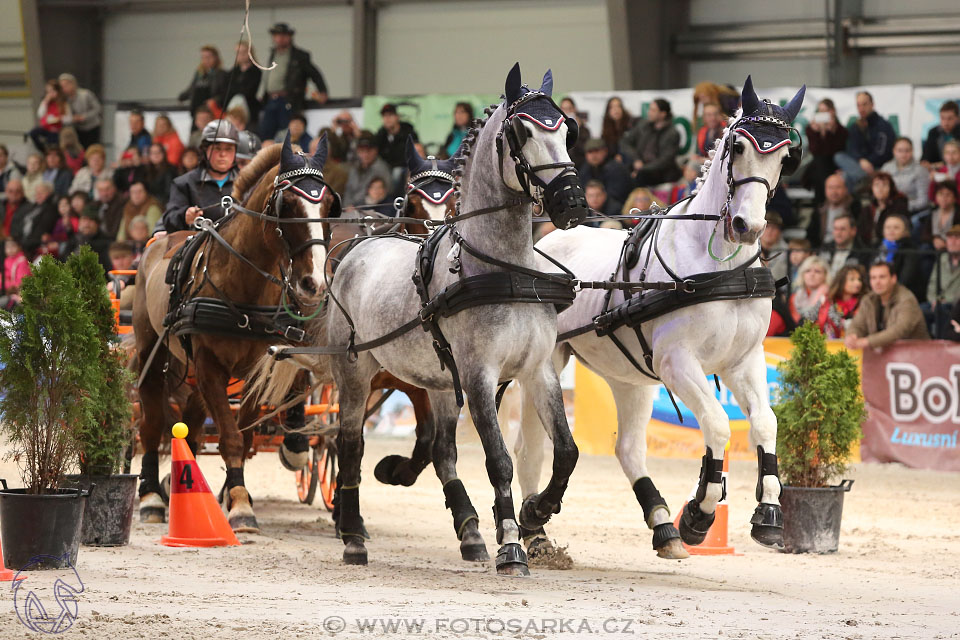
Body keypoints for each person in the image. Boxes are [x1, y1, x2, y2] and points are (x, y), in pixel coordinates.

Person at [161, 119, 239, 234]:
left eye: (229, 149)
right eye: (217, 148)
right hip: (199, 247)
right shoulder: (184, 183)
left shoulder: (248, 183)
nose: (223, 154)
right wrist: (184, 216)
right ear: (204, 150)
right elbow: (168, 219)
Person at [258, 22, 328, 140]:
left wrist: (322, 91)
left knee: (288, 135)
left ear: (289, 37)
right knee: (266, 134)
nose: (279, 39)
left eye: (282, 35)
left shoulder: (299, 56)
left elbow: (315, 74)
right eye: (277, 35)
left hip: (288, 99)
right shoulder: (273, 54)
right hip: (271, 99)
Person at [845, 260, 929, 348]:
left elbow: (899, 330)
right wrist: (852, 335)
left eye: (882, 277)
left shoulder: (906, 299)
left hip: (915, 354)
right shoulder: (868, 300)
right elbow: (857, 324)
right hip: (884, 356)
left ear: (893, 278)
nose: (877, 282)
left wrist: (868, 341)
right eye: (873, 278)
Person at [833, 91, 896, 196]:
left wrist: (868, 162)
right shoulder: (855, 126)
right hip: (860, 167)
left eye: (864, 104)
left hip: (877, 167)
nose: (861, 108)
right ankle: (863, 178)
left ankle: (855, 205)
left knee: (846, 176)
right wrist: (861, 160)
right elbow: (852, 149)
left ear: (872, 104)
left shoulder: (883, 126)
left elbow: (882, 152)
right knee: (839, 157)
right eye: (858, 105)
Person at [620, 98, 681, 187]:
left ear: (663, 114)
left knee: (639, 177)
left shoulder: (672, 133)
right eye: (650, 109)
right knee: (618, 171)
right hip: (640, 165)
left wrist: (643, 168)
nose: (649, 112)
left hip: (660, 172)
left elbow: (665, 160)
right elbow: (625, 142)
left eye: (653, 110)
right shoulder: (643, 126)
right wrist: (636, 159)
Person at [805, 98, 848, 204]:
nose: (822, 114)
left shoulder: (841, 131)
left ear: (832, 112)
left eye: (825, 111)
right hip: (820, 166)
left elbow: (836, 151)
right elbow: (814, 151)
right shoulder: (811, 129)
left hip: (834, 165)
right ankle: (823, 203)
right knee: (819, 162)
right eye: (820, 111)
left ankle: (820, 206)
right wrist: (818, 133)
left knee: (819, 165)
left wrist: (830, 133)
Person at [877, 214, 925, 302]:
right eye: (888, 227)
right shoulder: (876, 248)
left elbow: (905, 279)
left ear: (905, 232)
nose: (891, 230)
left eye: (896, 227)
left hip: (902, 296)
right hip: (878, 293)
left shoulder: (910, 250)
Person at [578, 138, 631, 215]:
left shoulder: (617, 169)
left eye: (596, 151)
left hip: (616, 212)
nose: (593, 155)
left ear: (605, 151)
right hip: (592, 210)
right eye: (590, 152)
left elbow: (617, 196)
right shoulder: (584, 169)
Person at [925, 224, 960, 337]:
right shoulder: (942, 258)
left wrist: (943, 301)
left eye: (957, 238)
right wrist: (934, 300)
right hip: (938, 301)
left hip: (955, 304)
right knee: (919, 310)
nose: (952, 242)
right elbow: (932, 284)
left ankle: (941, 344)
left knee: (942, 311)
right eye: (950, 238)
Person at [808, 173, 861, 246]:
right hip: (822, 249)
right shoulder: (819, 211)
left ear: (846, 189)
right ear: (825, 190)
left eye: (838, 187)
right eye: (830, 187)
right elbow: (811, 236)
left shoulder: (855, 208)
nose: (834, 192)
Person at [374, 104, 419, 190]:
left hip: (406, 168)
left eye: (390, 115)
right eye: (384, 116)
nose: (387, 119)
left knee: (396, 172)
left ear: (397, 117)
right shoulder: (381, 135)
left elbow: (415, 154)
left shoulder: (409, 133)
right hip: (386, 168)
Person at [342, 132, 392, 208]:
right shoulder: (354, 169)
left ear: (376, 150)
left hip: (373, 210)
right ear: (357, 151)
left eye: (369, 150)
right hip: (350, 210)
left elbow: (385, 194)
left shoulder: (382, 169)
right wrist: (347, 206)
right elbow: (348, 191)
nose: (365, 154)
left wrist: (355, 206)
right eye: (362, 151)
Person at [178, 45, 228, 120]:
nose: (206, 60)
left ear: (216, 58)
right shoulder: (199, 74)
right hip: (197, 110)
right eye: (203, 57)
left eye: (208, 57)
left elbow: (225, 93)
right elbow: (192, 88)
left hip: (211, 111)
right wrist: (181, 97)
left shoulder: (222, 74)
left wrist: (214, 100)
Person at [817, 264, 866, 338]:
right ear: (841, 281)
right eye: (852, 279)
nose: (858, 283)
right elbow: (812, 321)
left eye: (859, 280)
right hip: (829, 344)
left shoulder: (864, 302)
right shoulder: (826, 301)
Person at [880, 137, 929, 212]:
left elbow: (923, 201)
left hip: (910, 211)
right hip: (887, 209)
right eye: (900, 150)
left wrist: (899, 207)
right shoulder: (886, 168)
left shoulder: (920, 171)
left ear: (912, 151)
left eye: (907, 150)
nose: (903, 154)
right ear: (894, 151)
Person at [859, 171, 908, 246]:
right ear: (871, 188)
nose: (880, 189)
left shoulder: (899, 206)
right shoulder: (867, 209)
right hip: (868, 248)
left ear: (891, 189)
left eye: (884, 185)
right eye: (876, 185)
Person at [11, 181, 58, 258]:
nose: (38, 195)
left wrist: (23, 243)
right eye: (36, 193)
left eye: (41, 193)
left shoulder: (50, 208)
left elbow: (42, 230)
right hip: (24, 241)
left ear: (49, 194)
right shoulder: (33, 207)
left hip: (33, 244)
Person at [63, 207, 113, 274]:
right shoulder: (73, 240)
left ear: (97, 224)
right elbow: (63, 260)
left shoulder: (105, 242)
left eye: (91, 220)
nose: (86, 224)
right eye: (84, 220)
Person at [224, 40, 263, 126]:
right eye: (238, 52)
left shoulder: (256, 71)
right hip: (233, 107)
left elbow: (250, 91)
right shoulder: (232, 72)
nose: (241, 55)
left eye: (244, 52)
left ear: (250, 53)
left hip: (250, 108)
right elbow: (227, 89)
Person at [58, 73, 102, 147]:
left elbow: (97, 108)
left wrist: (84, 117)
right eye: (62, 87)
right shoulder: (64, 99)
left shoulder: (85, 94)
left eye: (66, 85)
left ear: (73, 84)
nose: (64, 88)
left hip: (92, 126)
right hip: (77, 128)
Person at [917, 180, 960, 250]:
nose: (944, 198)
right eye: (940, 194)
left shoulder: (958, 214)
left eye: (948, 195)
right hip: (933, 247)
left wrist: (946, 242)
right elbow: (924, 235)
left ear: (954, 198)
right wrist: (934, 239)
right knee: (924, 247)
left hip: (953, 248)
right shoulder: (932, 213)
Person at [28, 79, 69, 151]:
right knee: (33, 133)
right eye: (48, 92)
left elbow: (69, 118)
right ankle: (43, 150)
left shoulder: (63, 103)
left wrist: (60, 119)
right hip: (46, 127)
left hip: (58, 129)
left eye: (53, 91)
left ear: (58, 91)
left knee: (54, 141)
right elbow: (40, 114)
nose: (50, 94)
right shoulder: (45, 102)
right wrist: (45, 102)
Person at [789, 255, 829, 324]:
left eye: (817, 271)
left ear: (825, 276)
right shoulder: (794, 297)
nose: (812, 274)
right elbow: (794, 321)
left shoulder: (829, 296)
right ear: (802, 274)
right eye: (808, 271)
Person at [921, 100, 960, 166]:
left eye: (949, 118)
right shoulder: (933, 132)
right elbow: (926, 156)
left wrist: (942, 164)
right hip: (937, 172)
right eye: (942, 118)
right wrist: (925, 163)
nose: (946, 122)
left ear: (957, 118)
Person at [559, 97, 590, 168]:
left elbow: (584, 148)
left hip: (580, 165)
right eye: (564, 109)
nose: (567, 112)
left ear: (574, 110)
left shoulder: (584, 130)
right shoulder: (556, 129)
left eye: (569, 109)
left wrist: (577, 129)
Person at [0, 237, 30, 310]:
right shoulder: (7, 260)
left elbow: (21, 282)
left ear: (19, 247)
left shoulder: (21, 261)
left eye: (13, 246)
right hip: (8, 291)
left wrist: (8, 285)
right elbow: (4, 277)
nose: (10, 249)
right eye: (7, 247)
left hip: (19, 295)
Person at [760, 211, 788, 284]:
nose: (770, 231)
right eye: (767, 227)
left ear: (779, 232)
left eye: (774, 228)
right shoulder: (750, 248)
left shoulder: (786, 251)